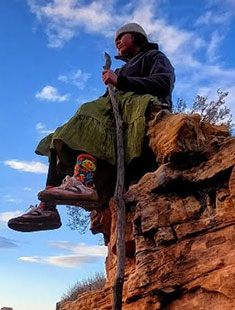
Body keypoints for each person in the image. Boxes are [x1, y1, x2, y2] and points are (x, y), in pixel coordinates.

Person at [8, 23, 175, 232]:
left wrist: (120, 81)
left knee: (88, 112)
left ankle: (83, 183)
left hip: (138, 109)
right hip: (115, 114)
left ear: (137, 37)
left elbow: (163, 84)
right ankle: (48, 208)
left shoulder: (154, 57)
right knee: (58, 137)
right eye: (115, 40)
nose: (117, 42)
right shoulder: (121, 68)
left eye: (121, 37)